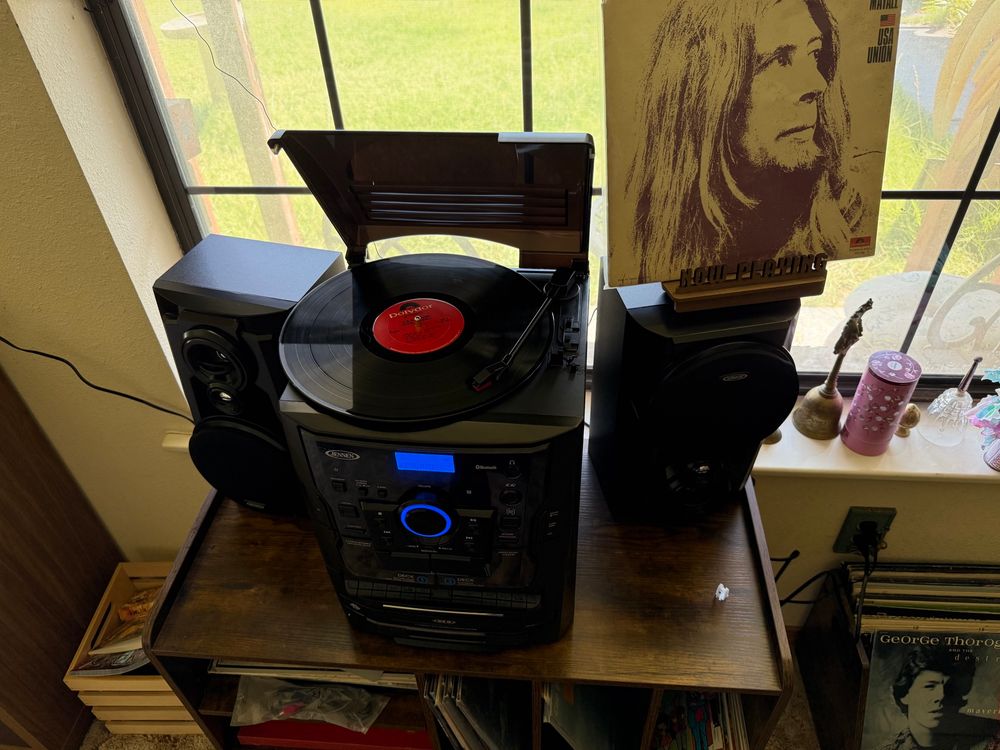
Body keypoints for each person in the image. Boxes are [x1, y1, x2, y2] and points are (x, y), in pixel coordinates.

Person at [625, 0, 868, 282]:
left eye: (815, 53)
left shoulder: (850, 208)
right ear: (706, 93)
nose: (816, 84)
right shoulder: (644, 235)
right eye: (778, 60)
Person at [876, 645, 1000, 750]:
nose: (940, 696)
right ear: (905, 695)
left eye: (949, 688)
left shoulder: (991, 740)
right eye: (929, 686)